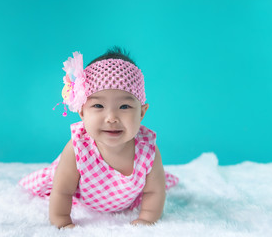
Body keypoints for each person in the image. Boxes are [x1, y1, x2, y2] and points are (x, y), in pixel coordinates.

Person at [19, 47, 178, 229]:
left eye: (124, 106)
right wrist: (62, 220)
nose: (111, 117)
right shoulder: (78, 149)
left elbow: (154, 192)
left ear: (142, 112)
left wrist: (147, 218)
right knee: (59, 181)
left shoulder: (148, 151)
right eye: (98, 105)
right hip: (85, 199)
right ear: (82, 112)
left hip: (125, 199)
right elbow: (62, 191)